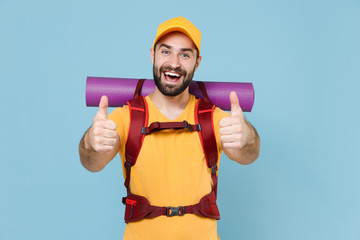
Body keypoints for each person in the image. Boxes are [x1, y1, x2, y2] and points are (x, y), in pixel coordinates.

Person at [79, 16, 260, 240]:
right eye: (166, 52)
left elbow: (247, 155)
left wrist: (248, 138)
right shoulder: (127, 117)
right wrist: (91, 143)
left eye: (185, 54)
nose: (174, 63)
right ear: (152, 55)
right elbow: (93, 163)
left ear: (197, 62)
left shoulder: (212, 118)